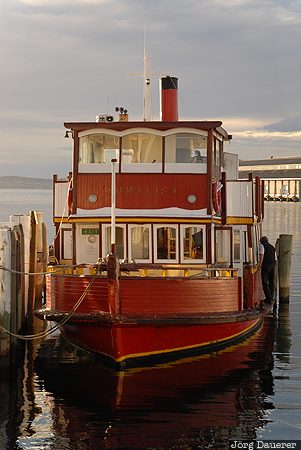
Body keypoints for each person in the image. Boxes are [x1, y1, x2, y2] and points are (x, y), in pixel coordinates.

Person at [259, 236, 277, 303]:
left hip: (266, 265)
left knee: (265, 282)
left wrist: (260, 264)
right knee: (271, 282)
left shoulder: (261, 245)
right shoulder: (272, 247)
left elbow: (261, 255)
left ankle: (268, 299)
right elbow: (275, 258)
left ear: (261, 241)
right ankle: (271, 297)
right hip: (273, 265)